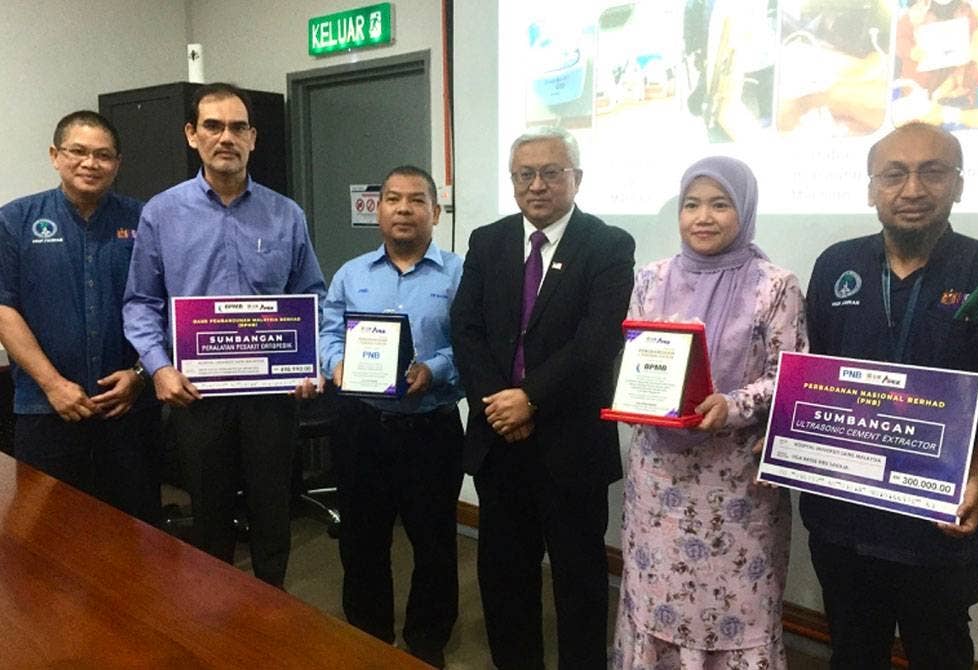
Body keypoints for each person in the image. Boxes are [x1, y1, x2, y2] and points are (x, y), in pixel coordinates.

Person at [802, 121, 978, 669]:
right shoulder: (836, 265)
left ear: (958, 184)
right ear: (872, 188)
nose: (912, 189)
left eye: (932, 172)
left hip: (941, 522)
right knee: (853, 651)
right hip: (844, 520)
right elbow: (811, 380)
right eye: (894, 174)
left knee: (940, 654)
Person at [122, 83, 326, 587]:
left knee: (272, 515)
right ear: (193, 135)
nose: (226, 137)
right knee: (209, 520)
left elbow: (312, 297)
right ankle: (214, 628)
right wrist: (159, 367)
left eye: (238, 127)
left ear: (253, 138)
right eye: (213, 126)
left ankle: (272, 617)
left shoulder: (286, 214)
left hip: (271, 397)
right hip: (197, 397)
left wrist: (309, 362)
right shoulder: (161, 213)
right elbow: (140, 303)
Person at [610, 156, 807, 669]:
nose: (703, 216)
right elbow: (639, 356)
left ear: (744, 209)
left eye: (720, 204)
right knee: (655, 601)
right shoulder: (651, 278)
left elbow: (792, 379)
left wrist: (734, 405)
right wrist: (634, 397)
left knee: (738, 605)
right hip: (659, 481)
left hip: (736, 485)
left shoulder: (775, 285)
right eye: (692, 204)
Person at [450, 126, 636, 669]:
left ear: (576, 178)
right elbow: (466, 329)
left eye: (551, 172)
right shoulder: (488, 241)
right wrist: (498, 404)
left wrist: (528, 399)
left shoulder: (608, 245)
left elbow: (598, 341)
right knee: (504, 575)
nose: (537, 185)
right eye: (524, 174)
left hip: (570, 445)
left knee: (579, 578)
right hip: (498, 441)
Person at [318, 166, 463, 668]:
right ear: (376, 210)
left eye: (416, 200)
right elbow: (328, 333)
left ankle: (426, 642)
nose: (404, 209)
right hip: (362, 426)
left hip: (431, 427)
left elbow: (476, 346)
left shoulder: (460, 274)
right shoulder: (351, 274)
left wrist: (436, 368)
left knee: (436, 542)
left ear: (436, 213)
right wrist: (335, 364)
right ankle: (368, 635)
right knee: (361, 541)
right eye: (393, 199)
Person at [0, 110, 160, 524]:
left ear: (117, 164)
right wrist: (53, 385)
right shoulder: (16, 221)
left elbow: (167, 305)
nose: (91, 164)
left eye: (103, 155)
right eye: (78, 152)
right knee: (48, 533)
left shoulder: (145, 220)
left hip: (126, 409)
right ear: (55, 155)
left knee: (134, 532)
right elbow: (3, 308)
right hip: (44, 409)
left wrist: (140, 375)